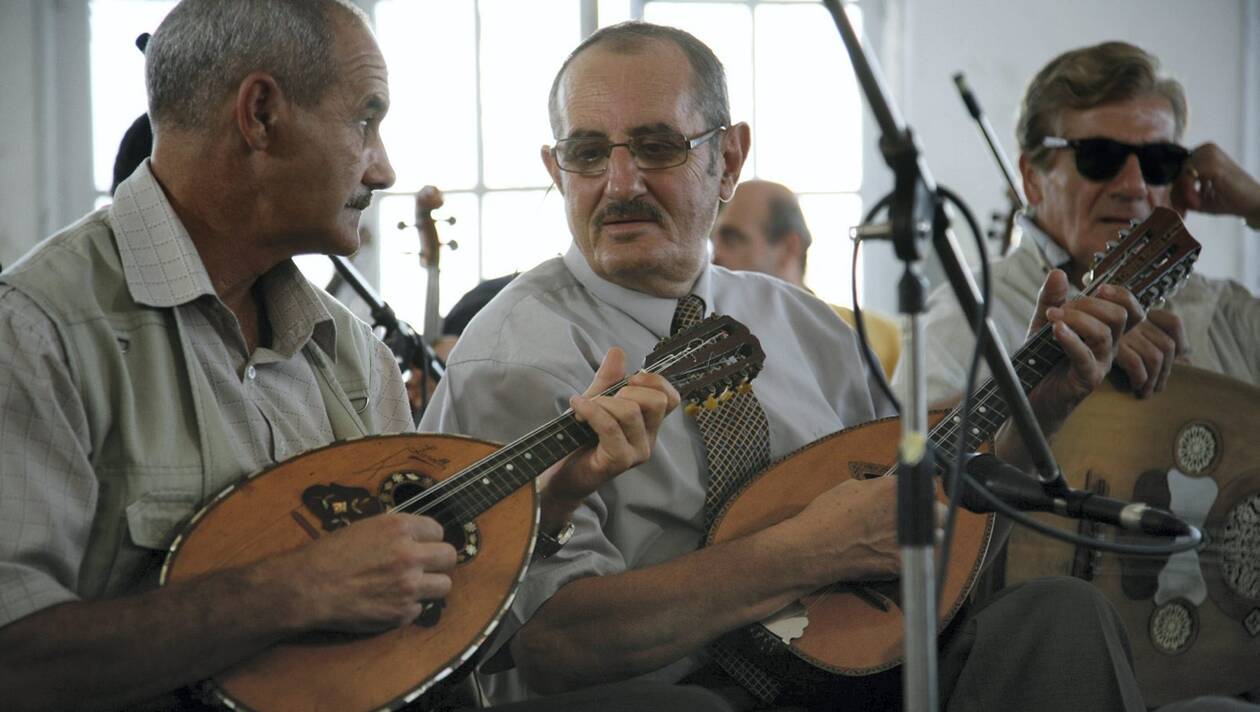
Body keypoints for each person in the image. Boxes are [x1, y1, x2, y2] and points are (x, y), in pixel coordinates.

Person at [422, 21, 1150, 712]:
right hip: (680, 696)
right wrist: (806, 553)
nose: (619, 184)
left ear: (729, 160)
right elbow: (553, 645)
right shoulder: (510, 361)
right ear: (555, 170)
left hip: (859, 666)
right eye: (586, 153)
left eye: (657, 146)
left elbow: (915, 530)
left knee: (1062, 616)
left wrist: (1039, 408)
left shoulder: (804, 325)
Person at [0, 3, 691, 710]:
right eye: (366, 120)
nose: (385, 169)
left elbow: (428, 628)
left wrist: (553, 498)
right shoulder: (35, 331)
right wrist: (295, 590)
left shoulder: (353, 352)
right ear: (261, 114)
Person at [902, 41, 1260, 408]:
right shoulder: (967, 317)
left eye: (1159, 161)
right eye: (1100, 156)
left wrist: (1257, 205)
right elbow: (898, 445)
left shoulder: (1226, 314)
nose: (1134, 186)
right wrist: (1046, 372)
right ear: (1032, 178)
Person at [711, 179, 901, 378]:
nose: (715, 256)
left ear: (789, 247)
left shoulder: (884, 340)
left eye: (732, 239)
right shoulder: (709, 347)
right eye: (713, 241)